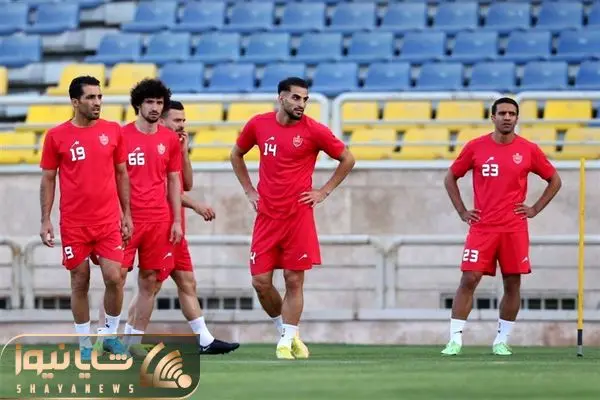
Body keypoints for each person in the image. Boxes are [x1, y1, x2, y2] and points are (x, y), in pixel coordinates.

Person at [230, 77, 356, 360]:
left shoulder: (314, 130)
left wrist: (323, 191)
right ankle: (286, 331)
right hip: (266, 217)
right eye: (296, 98)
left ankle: (287, 340)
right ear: (281, 98)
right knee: (260, 282)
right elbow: (236, 154)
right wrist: (249, 190)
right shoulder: (258, 125)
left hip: (298, 217)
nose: (301, 104)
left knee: (293, 280)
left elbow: (347, 158)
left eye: (305, 99)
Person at [441, 97, 562, 356]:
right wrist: (462, 211)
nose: (507, 117)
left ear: (517, 118)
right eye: (502, 113)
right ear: (493, 117)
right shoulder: (475, 147)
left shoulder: (528, 149)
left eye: (512, 113)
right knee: (469, 278)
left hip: (513, 228)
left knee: (512, 283)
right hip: (482, 227)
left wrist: (534, 209)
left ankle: (501, 340)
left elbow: (554, 180)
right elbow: (451, 177)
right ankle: (455, 340)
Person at [121, 100, 239, 355]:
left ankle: (204, 339)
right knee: (150, 285)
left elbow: (186, 183)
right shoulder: (151, 146)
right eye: (177, 120)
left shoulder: (172, 145)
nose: (183, 125)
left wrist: (184, 151)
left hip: (174, 229)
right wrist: (196, 205)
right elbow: (165, 189)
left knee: (186, 281)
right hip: (159, 227)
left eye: (184, 120)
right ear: (162, 120)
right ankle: (128, 340)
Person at [39, 75, 133, 360]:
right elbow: (48, 179)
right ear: (75, 102)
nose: (97, 102)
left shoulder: (113, 131)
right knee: (80, 281)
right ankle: (84, 343)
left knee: (114, 277)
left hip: (108, 222)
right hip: (74, 224)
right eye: (91, 97)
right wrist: (45, 219)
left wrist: (127, 214)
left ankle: (110, 335)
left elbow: (122, 174)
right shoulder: (56, 136)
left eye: (99, 97)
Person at [94, 78, 183, 356]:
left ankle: (133, 343)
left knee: (150, 282)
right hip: (126, 220)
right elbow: (109, 178)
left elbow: (174, 180)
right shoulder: (121, 136)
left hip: (159, 221)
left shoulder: (169, 139)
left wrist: (177, 220)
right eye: (149, 102)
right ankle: (105, 337)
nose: (155, 107)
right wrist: (119, 214)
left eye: (159, 103)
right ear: (138, 105)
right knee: (116, 278)